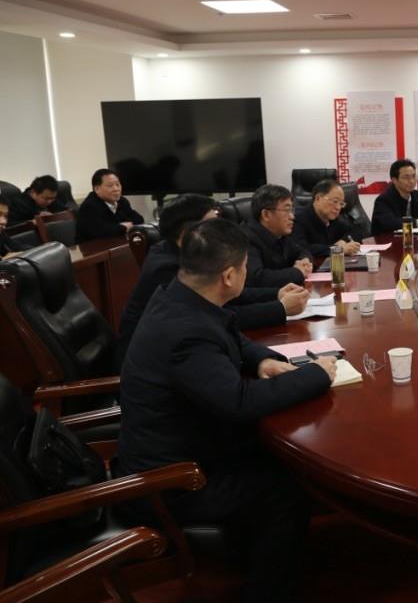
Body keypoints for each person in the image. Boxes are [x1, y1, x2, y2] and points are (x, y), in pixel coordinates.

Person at [115, 217, 336, 603]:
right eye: (245, 267)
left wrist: (262, 361)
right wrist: (317, 374)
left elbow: (231, 335)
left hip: (191, 442)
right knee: (285, 489)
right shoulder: (186, 332)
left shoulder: (178, 296)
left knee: (286, 457)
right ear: (230, 276)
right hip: (174, 480)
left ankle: (265, 557)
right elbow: (239, 402)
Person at [115, 194, 310, 367]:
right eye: (213, 224)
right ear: (190, 234)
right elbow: (222, 315)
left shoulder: (183, 253)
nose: (221, 230)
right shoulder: (169, 268)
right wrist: (280, 308)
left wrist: (276, 294)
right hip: (160, 365)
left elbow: (229, 297)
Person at [243, 184, 313, 287]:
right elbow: (257, 278)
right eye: (287, 210)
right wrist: (297, 272)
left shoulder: (280, 234)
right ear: (266, 215)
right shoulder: (245, 239)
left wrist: (304, 261)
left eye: (292, 210)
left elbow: (302, 250)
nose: (292, 216)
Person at [290, 179, 363, 257]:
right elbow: (301, 248)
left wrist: (343, 241)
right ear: (318, 198)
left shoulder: (333, 219)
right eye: (335, 201)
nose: (338, 208)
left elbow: (357, 231)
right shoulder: (299, 219)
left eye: (341, 204)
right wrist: (338, 249)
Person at [75, 168, 144, 242]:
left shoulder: (122, 201)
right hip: (92, 247)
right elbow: (101, 232)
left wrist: (121, 226)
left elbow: (139, 219)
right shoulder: (89, 206)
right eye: (110, 186)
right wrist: (123, 227)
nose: (116, 189)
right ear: (97, 189)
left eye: (117, 184)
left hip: (117, 242)